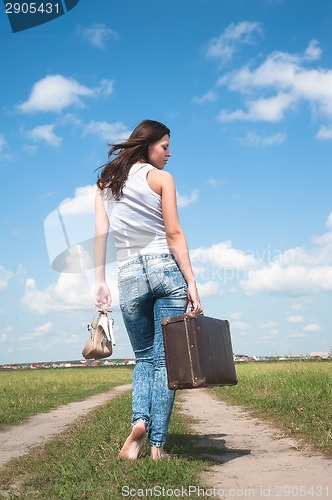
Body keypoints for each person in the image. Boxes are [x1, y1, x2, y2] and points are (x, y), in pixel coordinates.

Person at [94, 119, 202, 460]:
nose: (170, 153)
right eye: (165, 146)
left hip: (127, 275)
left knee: (143, 359)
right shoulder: (161, 179)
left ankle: (139, 422)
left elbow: (100, 234)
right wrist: (192, 282)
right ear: (148, 144)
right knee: (165, 363)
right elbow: (173, 234)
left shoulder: (106, 184)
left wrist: (99, 280)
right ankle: (157, 446)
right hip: (164, 270)